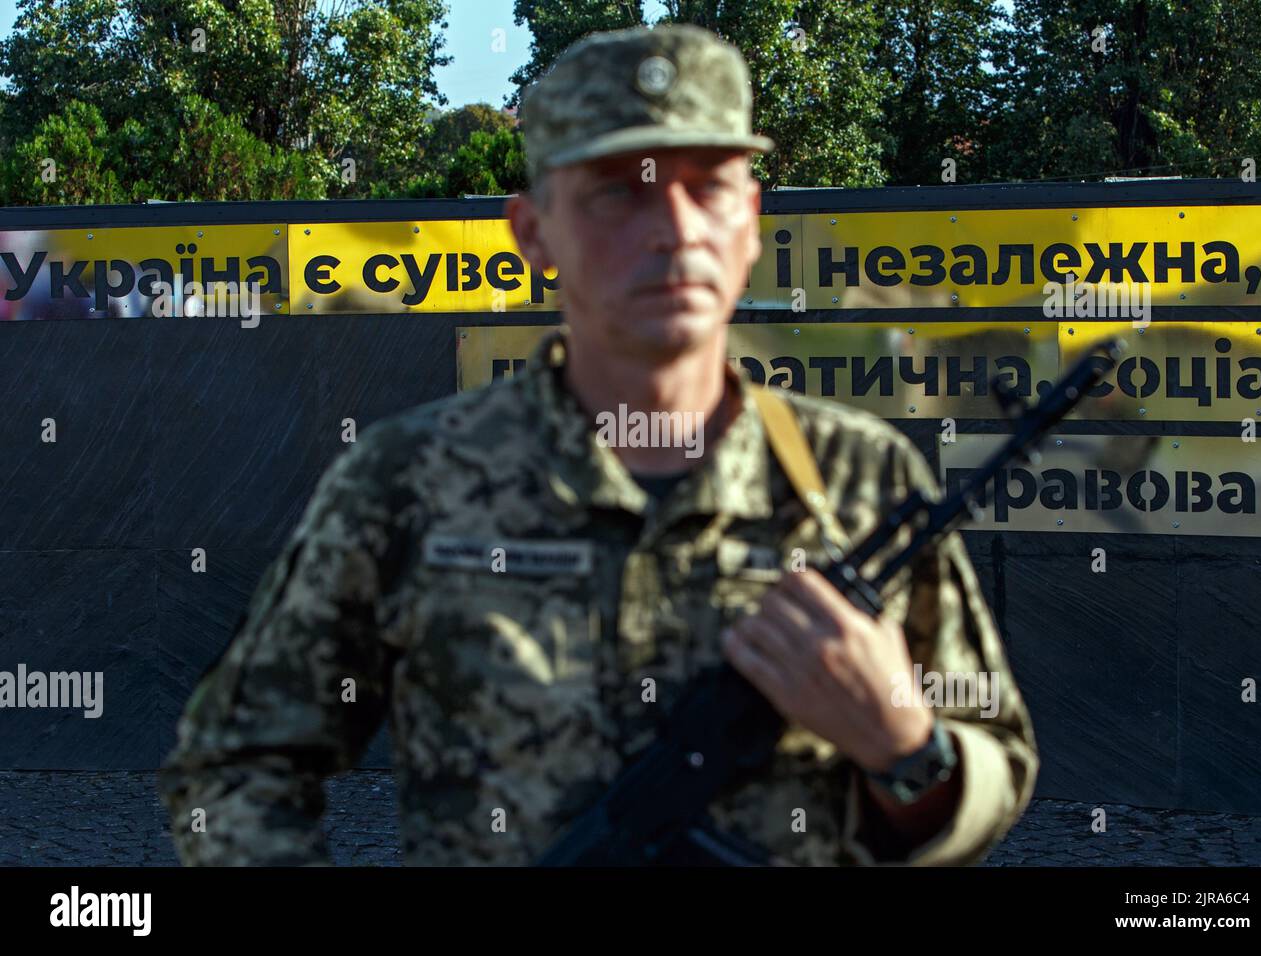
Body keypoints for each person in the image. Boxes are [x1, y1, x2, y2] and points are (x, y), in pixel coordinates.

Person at [159, 23, 1038, 866]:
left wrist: (904, 743)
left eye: (711, 187)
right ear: (532, 233)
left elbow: (996, 760)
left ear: (753, 222)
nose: (676, 227)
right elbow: (236, 761)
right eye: (620, 189)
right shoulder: (409, 481)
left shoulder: (861, 477)